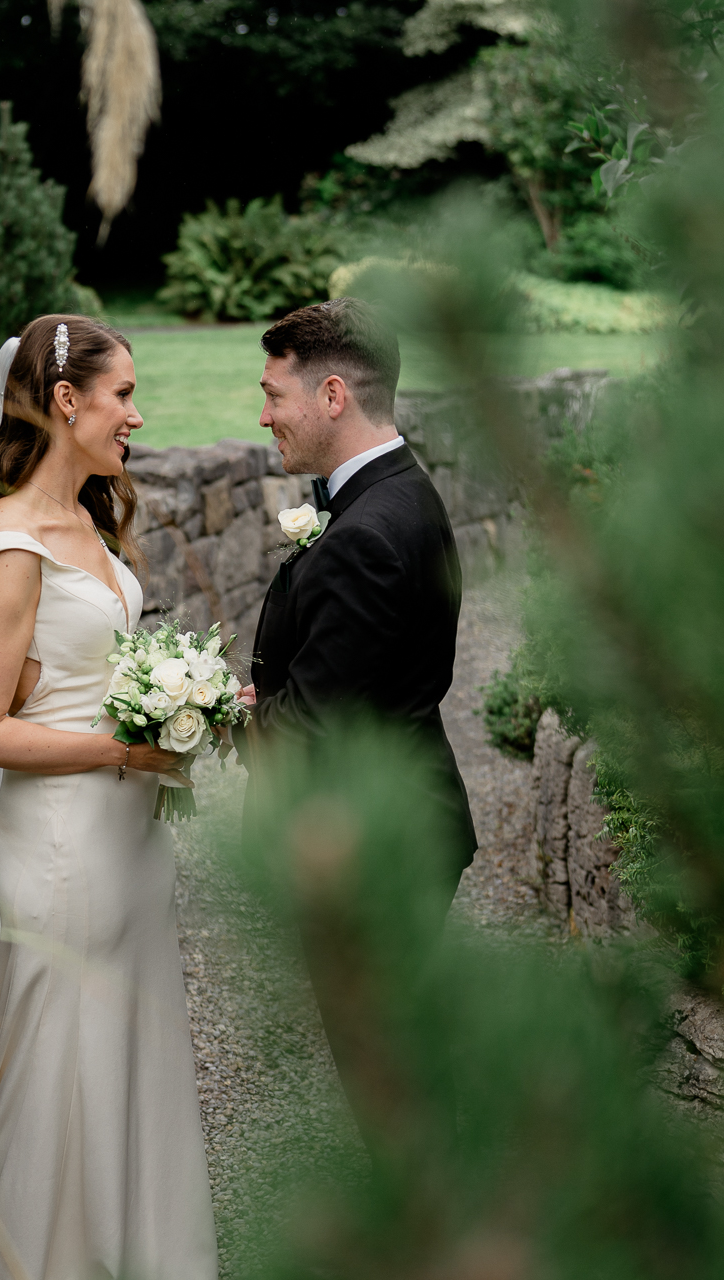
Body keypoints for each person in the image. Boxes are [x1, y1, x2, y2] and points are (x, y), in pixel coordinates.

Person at [0, 315, 218, 1280]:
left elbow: (65, 670)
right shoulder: (16, 541)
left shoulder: (90, 523)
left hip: (125, 836)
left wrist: (179, 706)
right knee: (66, 1055)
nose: (136, 415)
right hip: (65, 838)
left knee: (123, 1048)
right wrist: (122, 749)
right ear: (66, 402)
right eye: (123, 395)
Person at [243, 297, 478, 900]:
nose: (265, 417)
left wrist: (233, 718)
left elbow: (317, 723)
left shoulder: (363, 536)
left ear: (331, 396)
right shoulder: (401, 488)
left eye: (273, 395)